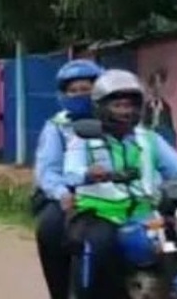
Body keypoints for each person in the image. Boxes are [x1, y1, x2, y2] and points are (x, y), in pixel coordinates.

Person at [63, 69, 177, 299]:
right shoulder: (83, 140)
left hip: (145, 216)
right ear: (101, 107)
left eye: (131, 105)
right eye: (118, 106)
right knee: (101, 245)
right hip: (99, 214)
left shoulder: (149, 139)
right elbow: (70, 174)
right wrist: (89, 174)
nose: (126, 111)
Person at [33, 58, 103, 299]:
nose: (80, 95)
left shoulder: (116, 119)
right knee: (50, 228)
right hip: (69, 194)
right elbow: (48, 172)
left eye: (86, 89)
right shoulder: (57, 127)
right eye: (73, 91)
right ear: (63, 94)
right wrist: (63, 193)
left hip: (116, 191)